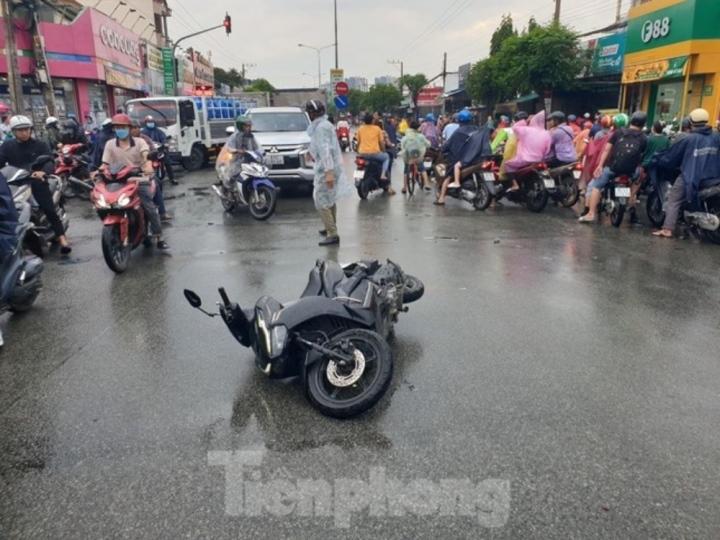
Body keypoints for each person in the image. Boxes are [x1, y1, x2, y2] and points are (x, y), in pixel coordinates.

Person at [0, 115, 72, 253]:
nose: (24, 132)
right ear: (14, 132)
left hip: (36, 181)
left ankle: (62, 238)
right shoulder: (7, 146)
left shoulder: (40, 145)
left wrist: (43, 172)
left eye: (26, 129)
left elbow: (49, 160)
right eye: (20, 130)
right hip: (16, 183)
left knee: (48, 208)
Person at [101, 114, 168, 250]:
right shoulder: (109, 144)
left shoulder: (140, 142)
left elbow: (146, 155)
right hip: (118, 182)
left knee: (149, 206)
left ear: (129, 128)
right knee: (105, 204)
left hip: (139, 179)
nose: (120, 130)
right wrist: (98, 171)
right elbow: (105, 163)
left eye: (123, 127)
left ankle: (159, 236)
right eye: (117, 127)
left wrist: (148, 167)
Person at [652, 108, 720, 238]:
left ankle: (667, 229)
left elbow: (671, 157)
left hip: (691, 176)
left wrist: (659, 159)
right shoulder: (716, 137)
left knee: (673, 199)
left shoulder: (688, 139)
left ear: (690, 121)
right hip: (713, 177)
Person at [579, 111, 648, 223]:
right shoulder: (644, 138)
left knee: (596, 186)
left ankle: (591, 213)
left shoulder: (618, 133)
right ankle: (632, 201)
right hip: (631, 171)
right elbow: (642, 155)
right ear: (643, 124)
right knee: (637, 182)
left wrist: (600, 166)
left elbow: (606, 150)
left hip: (613, 168)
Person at [306, 99, 344, 246]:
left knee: (320, 200)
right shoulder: (324, 125)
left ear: (312, 113)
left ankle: (332, 233)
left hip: (327, 168)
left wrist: (328, 172)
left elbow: (326, 149)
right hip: (332, 166)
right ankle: (330, 226)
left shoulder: (321, 127)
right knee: (330, 199)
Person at [435, 109, 491, 205]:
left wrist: (443, 149)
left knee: (448, 177)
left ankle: (441, 198)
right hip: (477, 159)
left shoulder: (458, 132)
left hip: (462, 160)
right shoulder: (477, 129)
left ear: (459, 120)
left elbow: (447, 146)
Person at [131, 121, 171, 223]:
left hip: (142, 171)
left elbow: (150, 152)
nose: (133, 130)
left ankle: (161, 213)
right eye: (131, 128)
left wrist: (148, 164)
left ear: (139, 128)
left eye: (135, 127)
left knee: (156, 183)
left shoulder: (144, 139)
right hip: (124, 173)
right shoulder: (116, 142)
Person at [141, 115, 176, 185]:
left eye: (151, 121)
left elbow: (164, 138)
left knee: (167, 162)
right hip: (149, 151)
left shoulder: (158, 131)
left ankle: (172, 178)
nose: (150, 123)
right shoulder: (143, 132)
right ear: (146, 123)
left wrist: (165, 143)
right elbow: (141, 141)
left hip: (159, 150)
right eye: (149, 122)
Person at [399, 119, 432, 194]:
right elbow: (428, 144)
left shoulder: (406, 136)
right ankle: (426, 184)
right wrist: (428, 145)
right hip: (418, 156)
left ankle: (404, 187)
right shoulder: (421, 136)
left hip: (408, 157)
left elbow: (402, 145)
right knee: (422, 169)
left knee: (406, 171)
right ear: (417, 128)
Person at [356, 113, 390, 181]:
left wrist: (357, 150)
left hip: (362, 153)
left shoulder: (360, 129)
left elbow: (358, 142)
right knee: (386, 157)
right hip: (375, 154)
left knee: (359, 164)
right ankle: (383, 175)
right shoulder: (377, 129)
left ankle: (357, 178)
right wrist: (383, 150)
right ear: (372, 121)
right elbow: (381, 142)